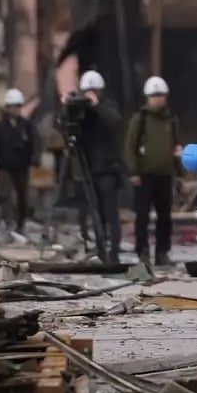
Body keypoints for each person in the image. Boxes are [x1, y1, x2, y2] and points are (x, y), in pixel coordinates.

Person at [125, 76, 182, 267]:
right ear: (148, 97)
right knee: (142, 216)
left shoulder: (171, 120)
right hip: (144, 176)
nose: (157, 99)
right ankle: (142, 252)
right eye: (154, 95)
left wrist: (179, 172)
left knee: (164, 217)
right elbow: (130, 147)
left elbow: (176, 147)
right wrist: (133, 171)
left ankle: (162, 253)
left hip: (165, 175)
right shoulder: (140, 119)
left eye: (160, 95)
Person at [75, 69, 124, 264]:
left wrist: (96, 107)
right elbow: (66, 125)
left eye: (94, 90)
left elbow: (114, 122)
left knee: (110, 211)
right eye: (88, 90)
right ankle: (100, 248)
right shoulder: (80, 110)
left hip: (108, 169)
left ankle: (114, 248)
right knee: (95, 212)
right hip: (89, 168)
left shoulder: (107, 107)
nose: (91, 94)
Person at [0, 88, 40, 234]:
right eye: (13, 106)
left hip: (22, 165)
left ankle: (21, 223)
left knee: (22, 195)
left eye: (18, 106)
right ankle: (8, 222)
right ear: (7, 108)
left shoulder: (27, 125)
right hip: (5, 165)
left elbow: (35, 141)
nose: (16, 109)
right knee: (6, 195)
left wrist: (34, 158)